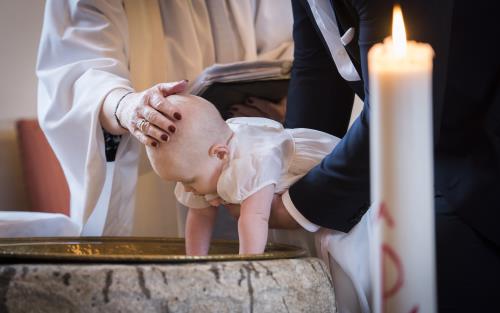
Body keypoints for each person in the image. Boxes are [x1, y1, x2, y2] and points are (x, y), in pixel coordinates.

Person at [272, 0, 499, 312]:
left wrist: (296, 205)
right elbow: (317, 73)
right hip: (433, 152)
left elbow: (397, 113)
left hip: (481, 161)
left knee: (421, 261)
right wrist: (283, 171)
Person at [36, 0, 294, 237]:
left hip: (250, 168)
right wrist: (130, 108)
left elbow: (289, 46)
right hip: (146, 179)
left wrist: (281, 105)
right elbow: (79, 71)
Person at [144, 94, 340, 255]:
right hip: (291, 199)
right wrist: (194, 262)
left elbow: (254, 218)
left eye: (188, 181)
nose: (186, 188)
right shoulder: (200, 162)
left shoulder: (253, 157)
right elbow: (200, 215)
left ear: (220, 154)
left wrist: (247, 268)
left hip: (334, 183)